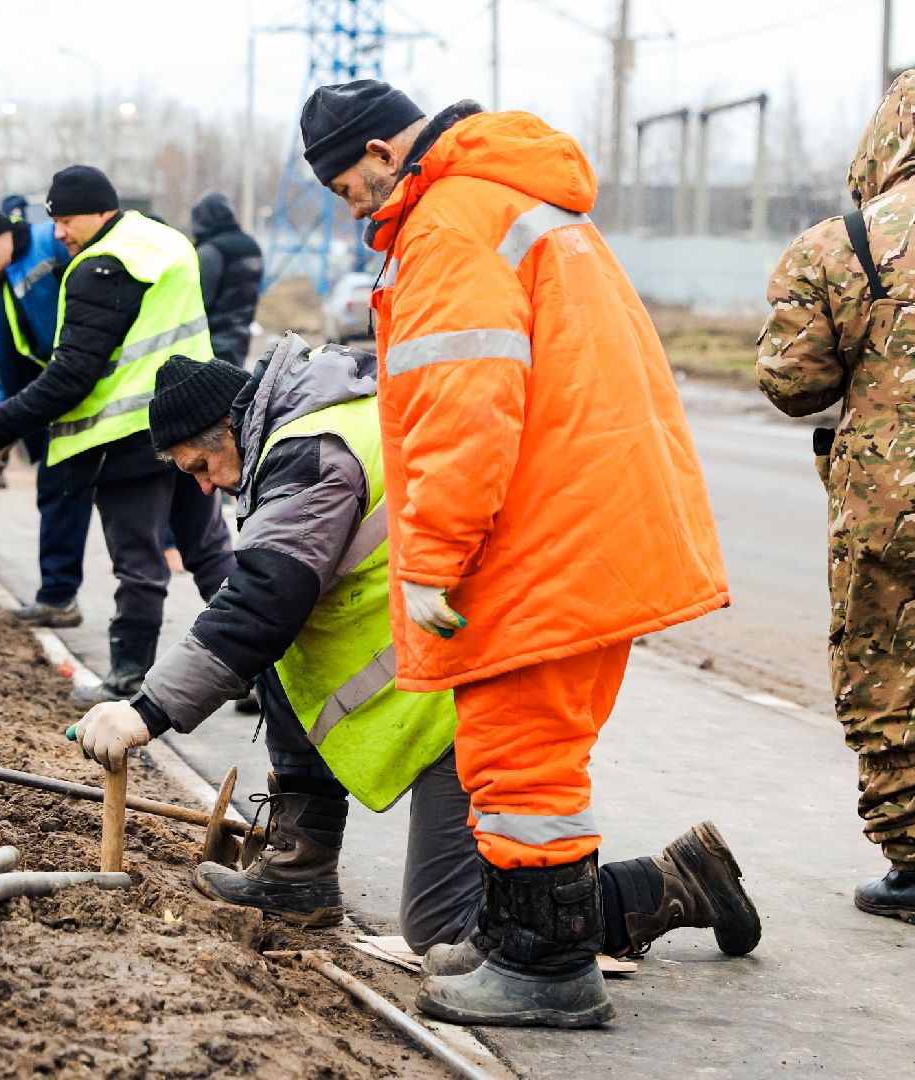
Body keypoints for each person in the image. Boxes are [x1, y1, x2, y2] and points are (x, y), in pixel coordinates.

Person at [69, 338, 760, 968]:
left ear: (230, 427)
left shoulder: (311, 454)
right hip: (433, 675)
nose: (203, 485)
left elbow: (261, 600)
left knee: (448, 929)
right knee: (275, 659)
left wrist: (148, 710)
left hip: (469, 687)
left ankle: (675, 881)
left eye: (201, 466)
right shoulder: (306, 433)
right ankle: (298, 873)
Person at [299, 80, 732, 1027]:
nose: (354, 211)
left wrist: (432, 559)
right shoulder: (507, 198)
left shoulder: (448, 223)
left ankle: (546, 968)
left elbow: (462, 407)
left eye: (348, 188)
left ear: (381, 152)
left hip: (545, 529)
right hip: (581, 516)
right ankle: (514, 938)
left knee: (521, 752)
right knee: (522, 749)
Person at [757, 69, 915, 930]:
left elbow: (793, 385)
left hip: (888, 505)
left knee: (890, 670)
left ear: (883, 142)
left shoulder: (840, 243)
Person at [0, 165, 235, 702]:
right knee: (208, 550)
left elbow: (70, 375)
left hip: (128, 438)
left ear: (98, 211)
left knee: (138, 563)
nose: (60, 232)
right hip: (191, 425)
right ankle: (255, 666)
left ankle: (128, 677)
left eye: (67, 220)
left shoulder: (100, 267)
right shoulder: (162, 242)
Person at [0, 198, 95, 628]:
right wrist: (5, 424)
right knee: (57, 490)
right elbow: (11, 368)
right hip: (57, 398)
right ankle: (57, 597)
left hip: (93, 384)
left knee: (137, 498)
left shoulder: (48, 244)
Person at [190, 192, 264, 367]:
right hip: (242, 336)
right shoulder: (252, 246)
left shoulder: (210, 251)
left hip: (211, 342)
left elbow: (199, 301)